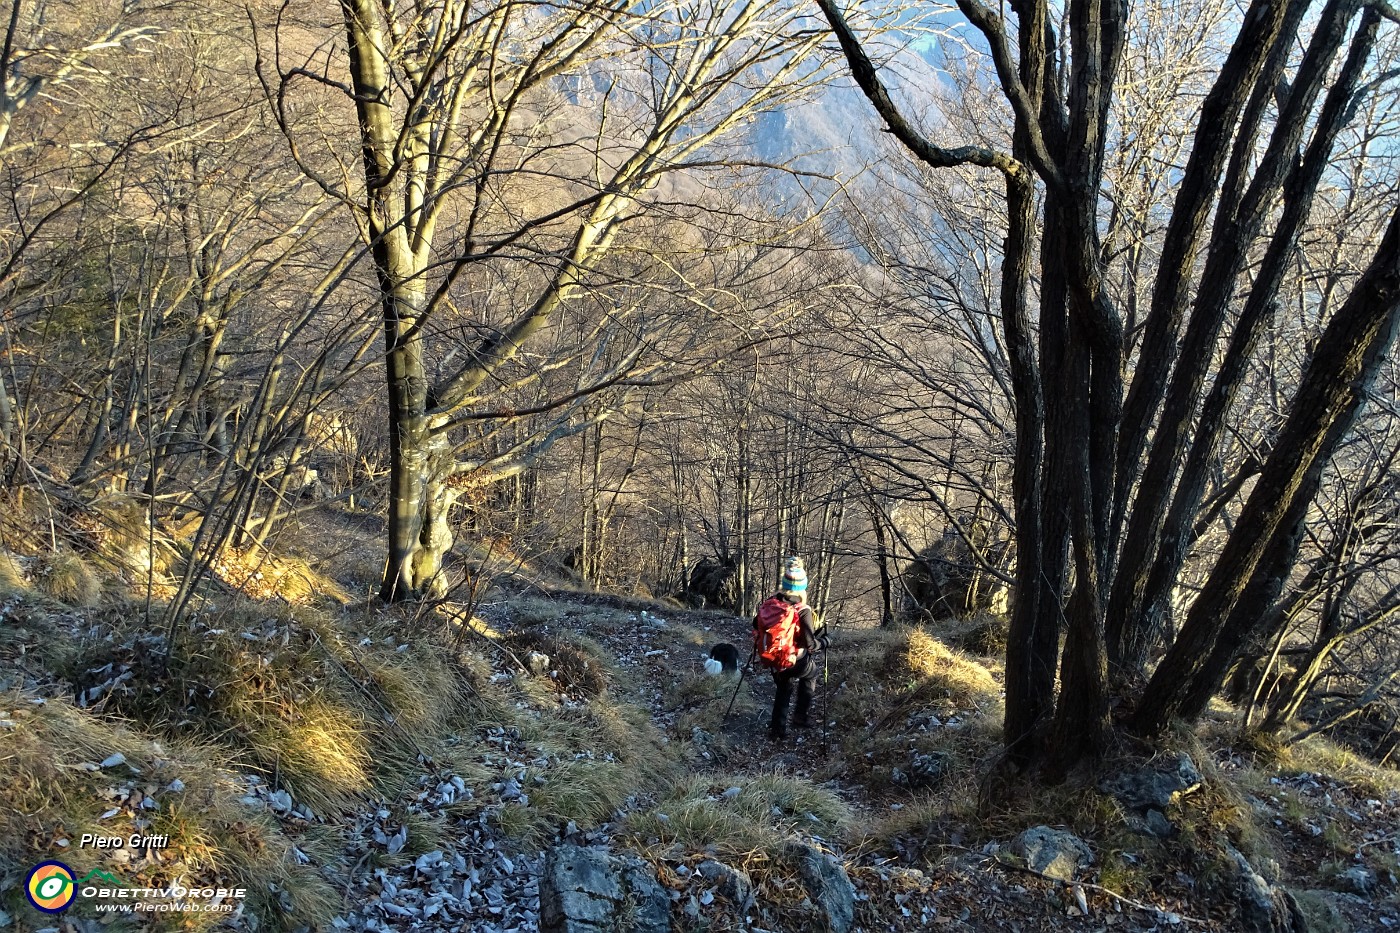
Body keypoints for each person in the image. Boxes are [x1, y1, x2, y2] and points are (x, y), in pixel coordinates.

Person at [753, 557, 829, 740]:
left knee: (784, 687)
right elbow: (810, 644)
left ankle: (778, 730)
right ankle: (800, 717)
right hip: (794, 659)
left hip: (772, 657)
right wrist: (825, 642)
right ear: (802, 587)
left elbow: (756, 624)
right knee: (811, 674)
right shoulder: (803, 610)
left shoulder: (771, 602)